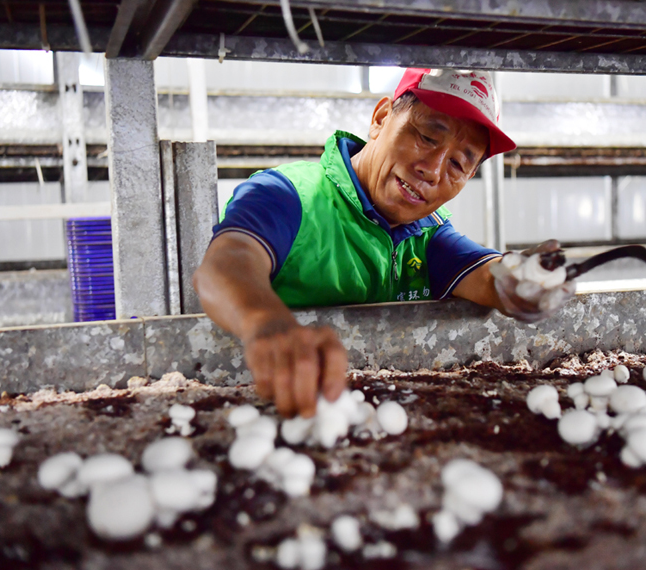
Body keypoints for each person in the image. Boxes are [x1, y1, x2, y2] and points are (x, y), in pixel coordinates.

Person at [193, 68, 575, 418]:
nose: (433, 169)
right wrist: (264, 321)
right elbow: (226, 264)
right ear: (380, 119)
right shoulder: (288, 195)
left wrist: (525, 279)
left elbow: (489, 275)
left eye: (459, 164)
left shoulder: (428, 237)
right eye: (427, 137)